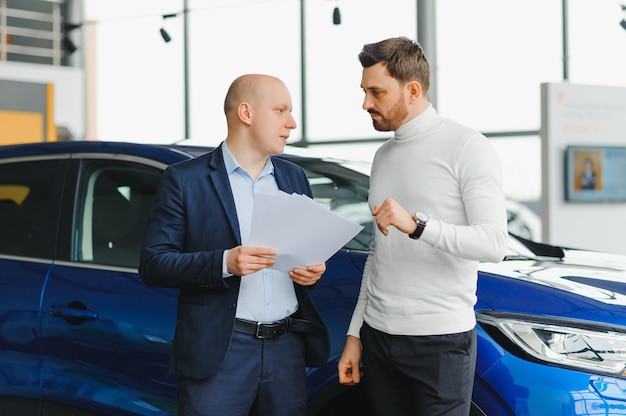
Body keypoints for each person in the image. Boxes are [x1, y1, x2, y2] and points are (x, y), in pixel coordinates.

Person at [139, 74, 330, 416]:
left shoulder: (294, 177)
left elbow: (307, 251)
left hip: (287, 349)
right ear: (246, 113)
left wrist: (312, 271)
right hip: (221, 352)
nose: (292, 123)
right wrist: (226, 262)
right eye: (280, 110)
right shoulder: (185, 180)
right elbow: (154, 263)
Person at [337, 36, 508, 416]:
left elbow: (495, 242)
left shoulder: (467, 146)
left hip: (441, 342)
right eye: (364, 92)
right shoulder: (382, 156)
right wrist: (354, 335)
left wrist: (418, 226)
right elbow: (379, 255)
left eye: (376, 92)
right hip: (378, 339)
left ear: (412, 90)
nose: (366, 103)